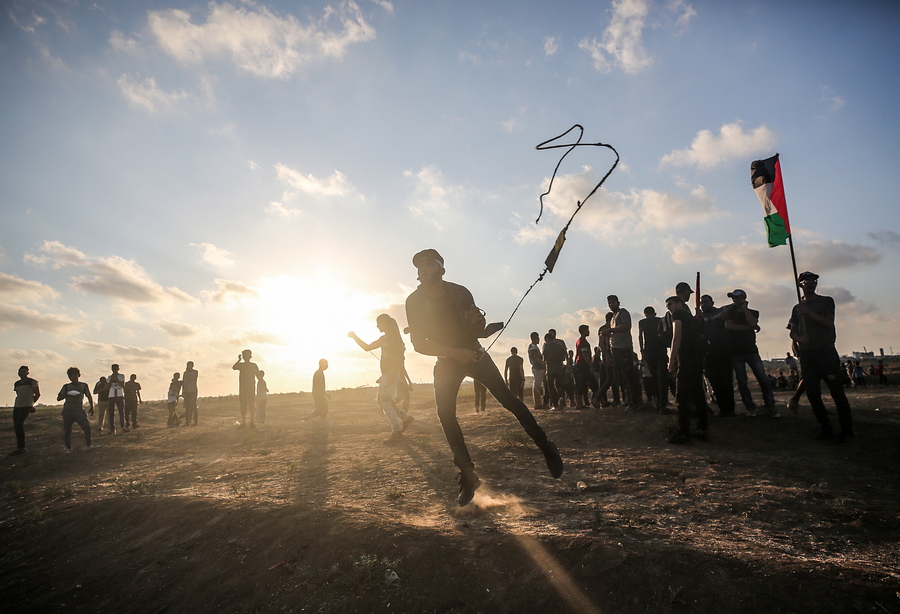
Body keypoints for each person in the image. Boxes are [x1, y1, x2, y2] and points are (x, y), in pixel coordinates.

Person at [405, 249, 563, 506]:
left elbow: (474, 327)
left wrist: (479, 322)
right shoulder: (414, 301)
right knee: (445, 415)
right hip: (447, 361)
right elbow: (419, 344)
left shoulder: (460, 292)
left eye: (428, 263)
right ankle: (468, 475)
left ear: (441, 268)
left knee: (508, 400)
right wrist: (456, 353)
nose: (422, 268)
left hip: (476, 356)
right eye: (418, 266)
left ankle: (546, 447)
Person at [787, 271, 854, 444]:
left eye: (813, 280)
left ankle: (847, 430)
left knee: (837, 393)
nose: (810, 283)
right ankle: (825, 427)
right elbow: (792, 333)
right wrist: (800, 338)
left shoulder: (826, 301)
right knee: (812, 394)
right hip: (807, 355)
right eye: (806, 280)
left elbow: (829, 323)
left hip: (826, 352)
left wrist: (808, 313)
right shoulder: (797, 308)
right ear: (800, 285)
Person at [349, 314, 415, 443]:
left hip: (391, 373)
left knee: (385, 402)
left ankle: (396, 431)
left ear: (386, 324)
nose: (377, 326)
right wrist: (354, 337)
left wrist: (393, 377)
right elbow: (367, 348)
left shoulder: (393, 339)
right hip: (387, 374)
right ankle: (405, 417)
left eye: (379, 323)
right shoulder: (385, 338)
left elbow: (399, 359)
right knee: (383, 400)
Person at [723, 290, 777, 417]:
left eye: (737, 297)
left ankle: (770, 407)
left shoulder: (753, 312)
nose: (735, 300)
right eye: (733, 298)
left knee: (763, 380)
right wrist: (748, 327)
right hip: (736, 352)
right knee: (742, 382)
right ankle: (750, 408)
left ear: (743, 297)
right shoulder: (729, 312)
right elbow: (729, 326)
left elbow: (753, 322)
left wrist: (745, 310)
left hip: (751, 351)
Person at [666, 295, 708, 444]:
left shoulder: (678, 315)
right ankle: (702, 428)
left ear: (679, 303)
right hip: (696, 360)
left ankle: (683, 432)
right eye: (667, 306)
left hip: (686, 360)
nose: (669, 308)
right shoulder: (692, 318)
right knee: (698, 395)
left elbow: (677, 336)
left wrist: (671, 360)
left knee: (682, 397)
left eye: (670, 304)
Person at [699, 295, 735, 417]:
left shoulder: (720, 313)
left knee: (726, 382)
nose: (704, 304)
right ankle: (722, 409)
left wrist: (726, 311)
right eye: (702, 302)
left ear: (712, 302)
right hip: (709, 355)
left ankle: (730, 410)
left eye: (706, 302)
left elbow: (735, 305)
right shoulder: (700, 318)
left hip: (724, 352)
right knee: (715, 383)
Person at [603, 295, 641, 411]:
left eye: (613, 302)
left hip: (624, 348)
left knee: (629, 375)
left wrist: (610, 330)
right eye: (609, 303)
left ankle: (635, 402)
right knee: (622, 376)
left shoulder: (623, 312)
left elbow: (626, 326)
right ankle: (630, 399)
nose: (611, 304)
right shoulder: (613, 317)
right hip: (616, 349)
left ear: (618, 302)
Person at [639, 306, 670, 414]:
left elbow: (640, 337)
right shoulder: (661, 320)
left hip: (649, 351)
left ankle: (658, 402)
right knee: (662, 378)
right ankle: (663, 404)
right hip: (661, 350)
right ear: (655, 313)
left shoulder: (642, 322)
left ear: (645, 314)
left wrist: (642, 350)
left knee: (655, 377)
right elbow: (665, 334)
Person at [57, 367, 95, 452]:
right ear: (69, 377)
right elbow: (58, 398)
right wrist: (67, 394)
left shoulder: (83, 385)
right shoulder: (66, 387)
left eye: (75, 375)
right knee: (67, 431)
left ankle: (89, 445)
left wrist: (92, 407)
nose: (73, 378)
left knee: (87, 427)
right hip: (68, 411)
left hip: (79, 410)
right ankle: (68, 448)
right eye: (71, 376)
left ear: (79, 375)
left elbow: (89, 396)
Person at [11, 365, 40, 455]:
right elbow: (18, 394)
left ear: (27, 372)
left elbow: (38, 394)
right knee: (16, 425)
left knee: (19, 424)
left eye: (24, 371)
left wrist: (31, 404)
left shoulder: (32, 382)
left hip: (27, 405)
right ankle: (19, 447)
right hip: (17, 405)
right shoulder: (17, 383)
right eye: (20, 372)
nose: (22, 373)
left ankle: (22, 447)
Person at [232, 350, 260, 428]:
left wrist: (239, 360)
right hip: (248, 388)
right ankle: (250, 422)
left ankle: (247, 422)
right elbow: (258, 376)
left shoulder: (243, 365)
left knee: (246, 405)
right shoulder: (252, 365)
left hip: (245, 389)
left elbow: (234, 367)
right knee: (248, 405)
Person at [542, 330, 567, 410]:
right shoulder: (559, 346)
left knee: (551, 387)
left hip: (550, 368)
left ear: (546, 339)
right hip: (559, 368)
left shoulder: (546, 345)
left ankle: (555, 404)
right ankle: (561, 398)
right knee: (559, 385)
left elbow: (544, 358)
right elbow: (563, 357)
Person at [573, 325, 595, 409]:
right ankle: (579, 403)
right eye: (587, 330)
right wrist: (591, 365)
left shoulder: (580, 341)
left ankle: (601, 401)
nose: (588, 332)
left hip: (581, 364)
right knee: (582, 384)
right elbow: (585, 355)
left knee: (588, 383)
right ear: (583, 331)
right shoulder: (583, 342)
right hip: (583, 365)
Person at [527, 332, 547, 410]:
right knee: (537, 386)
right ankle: (537, 403)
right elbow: (537, 358)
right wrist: (544, 366)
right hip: (538, 368)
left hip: (538, 367)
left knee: (537, 386)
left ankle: (538, 403)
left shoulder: (534, 347)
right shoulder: (533, 347)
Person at [107, 364, 127, 434]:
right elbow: (108, 386)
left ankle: (123, 427)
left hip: (119, 395)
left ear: (118, 369)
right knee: (111, 413)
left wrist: (116, 378)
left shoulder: (121, 376)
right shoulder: (109, 377)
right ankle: (112, 428)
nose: (114, 370)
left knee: (121, 412)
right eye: (113, 368)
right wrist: (112, 379)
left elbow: (122, 385)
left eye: (116, 368)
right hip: (111, 396)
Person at [182, 361, 199, 426]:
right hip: (186, 391)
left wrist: (188, 372)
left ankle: (195, 421)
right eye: (187, 365)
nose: (188, 366)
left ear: (192, 366)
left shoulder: (195, 372)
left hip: (193, 391)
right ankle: (187, 421)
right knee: (187, 407)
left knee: (193, 406)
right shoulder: (185, 373)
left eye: (190, 365)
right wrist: (183, 391)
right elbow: (184, 382)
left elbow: (191, 378)